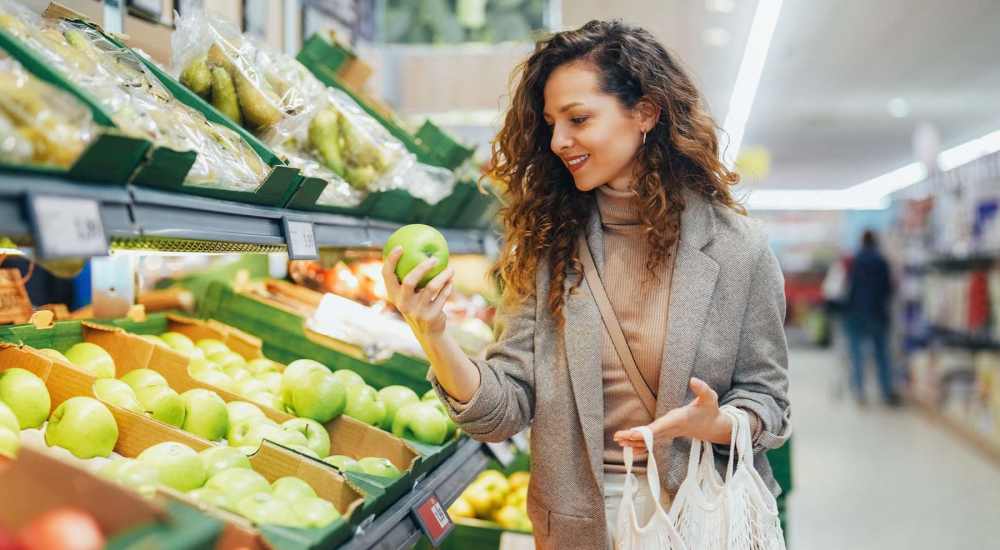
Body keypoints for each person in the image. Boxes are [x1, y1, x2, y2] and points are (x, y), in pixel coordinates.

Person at [382, 20, 791, 549]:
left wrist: (716, 423)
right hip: (581, 524)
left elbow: (770, 402)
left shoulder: (739, 248)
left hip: (701, 515)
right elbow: (502, 412)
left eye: (578, 119)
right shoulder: (547, 245)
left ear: (645, 112)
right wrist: (433, 334)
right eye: (551, 123)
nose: (558, 141)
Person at [844, 229, 899, 406]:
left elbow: (850, 288)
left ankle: (860, 392)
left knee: (857, 355)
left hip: (857, 314)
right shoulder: (882, 261)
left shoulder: (856, 261)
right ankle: (886, 392)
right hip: (877, 313)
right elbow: (888, 289)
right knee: (882, 355)